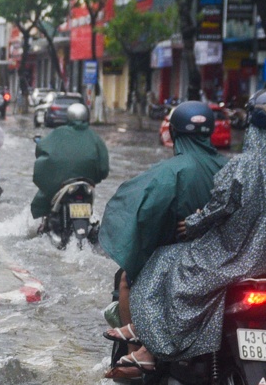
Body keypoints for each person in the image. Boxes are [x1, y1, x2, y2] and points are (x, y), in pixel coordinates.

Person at [111, 92, 266, 378]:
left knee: (164, 262)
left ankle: (150, 340)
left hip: (229, 260)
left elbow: (221, 205)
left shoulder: (242, 165)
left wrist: (195, 223)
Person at [97, 101, 228, 352]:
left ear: (175, 133)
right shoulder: (232, 168)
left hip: (182, 263)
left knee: (127, 279)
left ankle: (135, 353)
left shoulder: (170, 172)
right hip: (226, 263)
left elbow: (145, 216)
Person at [30, 100, 110, 219]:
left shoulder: (58, 133)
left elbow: (41, 149)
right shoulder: (95, 138)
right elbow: (104, 169)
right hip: (86, 186)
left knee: (42, 199)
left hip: (60, 184)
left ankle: (41, 225)